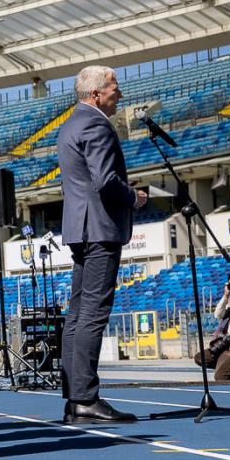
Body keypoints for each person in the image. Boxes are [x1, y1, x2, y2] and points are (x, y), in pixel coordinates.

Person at [57, 65, 148, 424]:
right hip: (99, 229)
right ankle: (86, 398)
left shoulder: (70, 124)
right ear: (96, 93)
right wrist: (135, 197)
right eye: (114, 87)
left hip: (81, 230)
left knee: (78, 314)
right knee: (93, 313)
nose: (119, 94)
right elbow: (106, 181)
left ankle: (75, 397)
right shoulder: (95, 125)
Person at [196, 272, 230, 381]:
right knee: (200, 358)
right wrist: (226, 296)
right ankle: (227, 365)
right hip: (226, 346)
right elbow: (217, 314)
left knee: (220, 376)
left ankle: (227, 367)